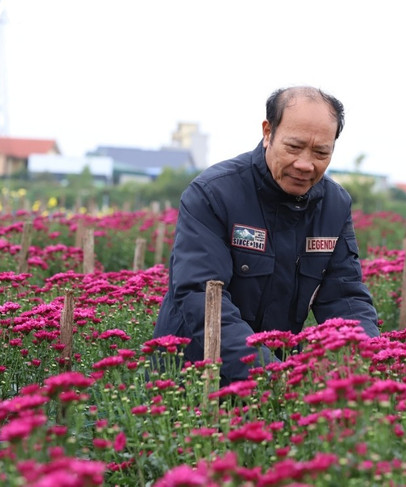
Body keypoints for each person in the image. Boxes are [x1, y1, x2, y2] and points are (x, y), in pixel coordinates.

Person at [153, 85, 380, 384]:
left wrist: (368, 361)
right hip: (194, 381)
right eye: (294, 147)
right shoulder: (214, 194)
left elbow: (344, 296)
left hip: (277, 376)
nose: (305, 164)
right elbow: (203, 296)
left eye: (321, 152)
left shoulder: (334, 205)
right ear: (268, 132)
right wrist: (268, 374)